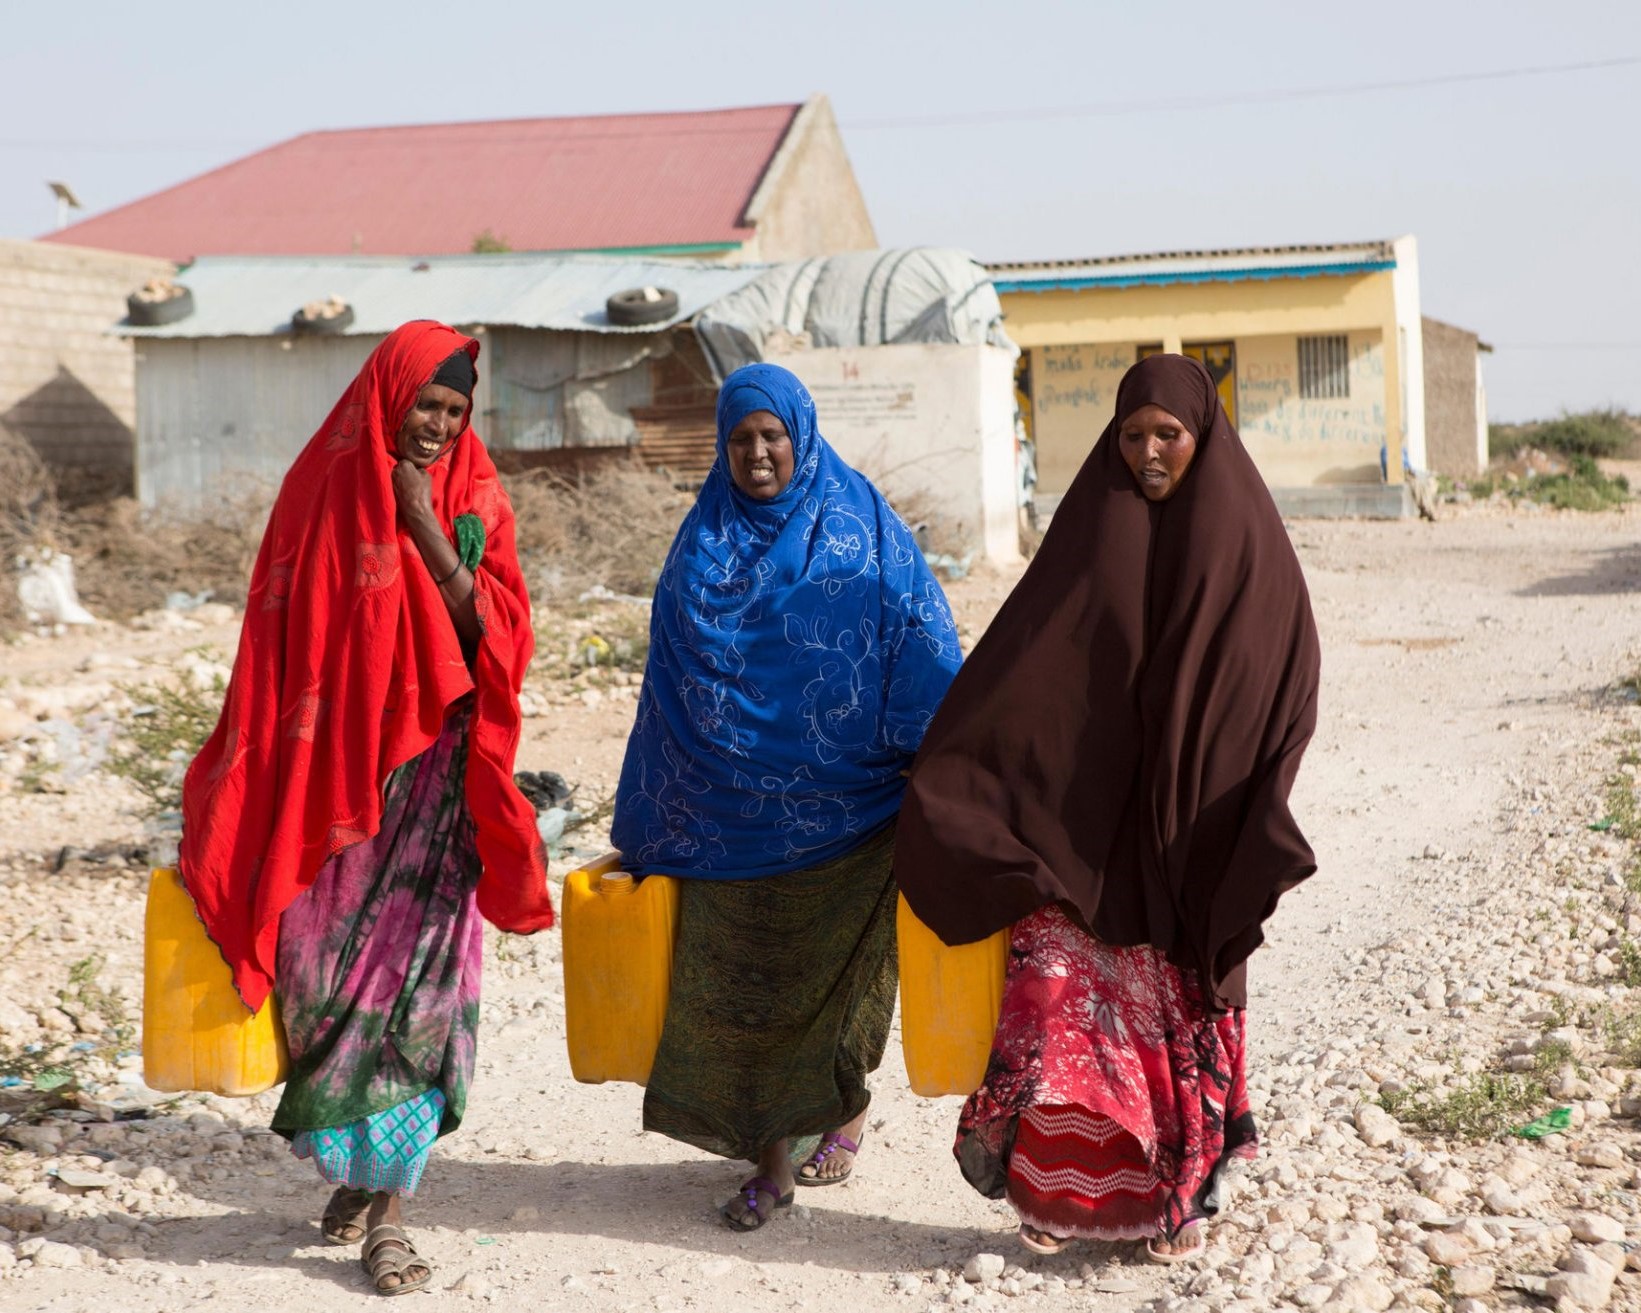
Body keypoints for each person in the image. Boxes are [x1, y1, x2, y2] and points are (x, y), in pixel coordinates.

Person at [894, 353, 1321, 1261]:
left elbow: (1276, 677)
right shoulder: (1093, 530)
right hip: (1082, 839)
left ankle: (1180, 1201)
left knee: (1179, 1007)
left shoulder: (1243, 540)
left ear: (1200, 434)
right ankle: (1054, 1198)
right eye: (1131, 435)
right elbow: (1030, 662)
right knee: (1054, 993)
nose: (1148, 451)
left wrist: (1213, 776)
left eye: (1166, 433)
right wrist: (958, 767)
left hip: (1189, 830)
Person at [178, 321, 555, 1294]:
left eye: (453, 410)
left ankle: (392, 1210)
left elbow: (502, 633)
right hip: (332, 791)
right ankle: (354, 1166)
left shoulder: (472, 492)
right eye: (424, 404)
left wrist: (423, 521)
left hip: (437, 788)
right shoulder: (319, 486)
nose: (436, 423)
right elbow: (277, 639)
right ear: (388, 394)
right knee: (325, 981)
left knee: (422, 993)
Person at [611, 362, 962, 1231]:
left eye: (772, 436)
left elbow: (919, 635)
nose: (758, 453)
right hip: (729, 819)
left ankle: (837, 1110)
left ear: (799, 436)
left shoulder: (859, 527)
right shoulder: (700, 547)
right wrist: (655, 816)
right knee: (739, 987)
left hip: (853, 810)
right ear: (722, 447)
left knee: (835, 985)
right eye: (741, 439)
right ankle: (771, 1158)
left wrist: (936, 762)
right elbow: (667, 687)